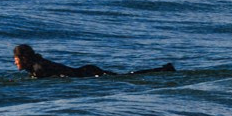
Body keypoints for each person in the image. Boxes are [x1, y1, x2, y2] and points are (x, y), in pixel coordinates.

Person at [13, 44, 174, 79]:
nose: (15, 63)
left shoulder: (39, 67)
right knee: (124, 76)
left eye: (16, 59)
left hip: (88, 74)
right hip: (86, 72)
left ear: (24, 58)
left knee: (126, 76)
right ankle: (163, 70)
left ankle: (163, 70)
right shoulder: (35, 67)